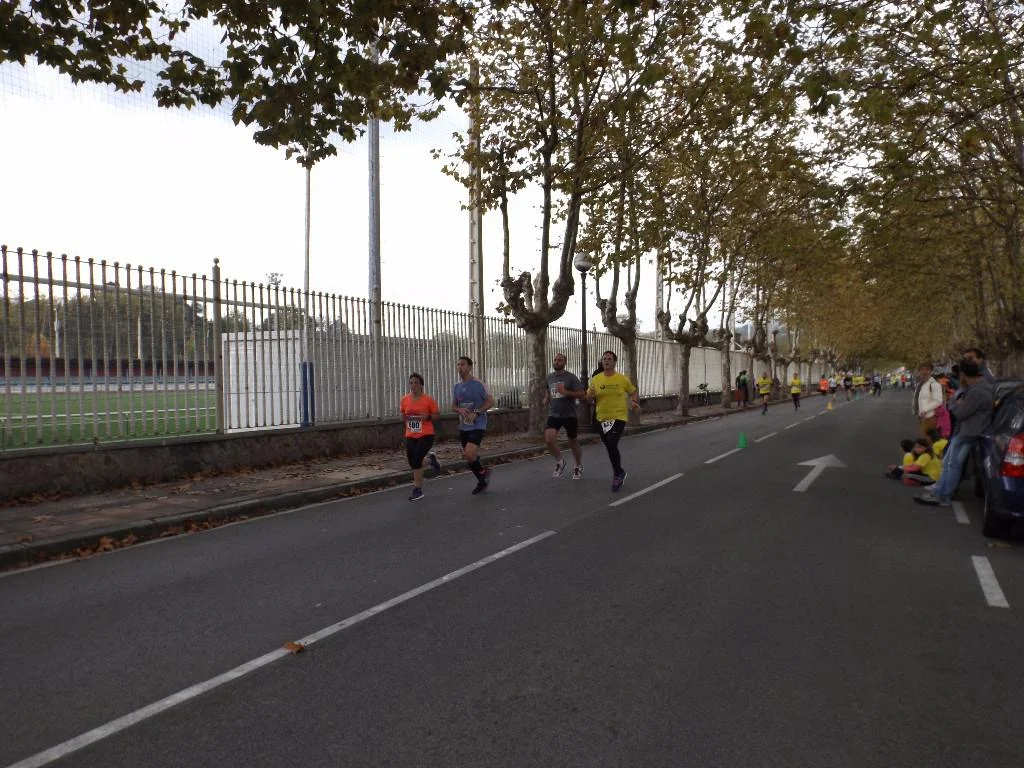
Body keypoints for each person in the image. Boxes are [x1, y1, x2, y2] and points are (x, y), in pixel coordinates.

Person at [914, 358, 994, 507]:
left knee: (952, 465)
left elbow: (960, 413)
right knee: (949, 463)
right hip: (969, 431)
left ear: (963, 374)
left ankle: (943, 496)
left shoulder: (977, 392)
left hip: (968, 431)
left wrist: (954, 404)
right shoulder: (981, 388)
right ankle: (940, 491)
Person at [587, 350, 640, 492]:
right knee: (610, 447)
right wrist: (590, 396)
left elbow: (633, 391)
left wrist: (634, 402)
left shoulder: (622, 379)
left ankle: (617, 475)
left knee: (612, 443)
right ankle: (620, 471)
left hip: (618, 417)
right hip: (602, 418)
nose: (606, 361)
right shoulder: (596, 379)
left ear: (614, 362)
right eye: (604, 359)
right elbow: (588, 399)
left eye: (609, 359)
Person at [452, 355, 494, 495]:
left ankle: (482, 476)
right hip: (464, 425)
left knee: (470, 453)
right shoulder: (457, 386)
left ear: (470, 367)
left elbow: (490, 401)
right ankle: (482, 476)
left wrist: (477, 412)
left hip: (478, 424)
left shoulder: (478, 384)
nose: (460, 367)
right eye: (458, 365)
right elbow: (453, 406)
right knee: (469, 455)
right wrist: (459, 410)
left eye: (463, 364)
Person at [399, 373, 442, 501]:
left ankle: (417, 490)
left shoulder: (428, 400)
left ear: (421, 385)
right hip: (411, 435)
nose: (413, 385)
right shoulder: (405, 399)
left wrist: (428, 417)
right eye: (411, 383)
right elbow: (402, 413)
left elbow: (437, 415)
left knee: (417, 461)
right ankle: (430, 460)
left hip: (426, 435)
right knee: (412, 463)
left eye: (416, 383)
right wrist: (402, 417)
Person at [544, 352, 586, 479]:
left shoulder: (571, 378)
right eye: (555, 360)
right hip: (554, 414)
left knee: (573, 442)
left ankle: (578, 465)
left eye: (560, 360)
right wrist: (546, 398)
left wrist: (566, 392)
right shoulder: (549, 377)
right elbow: (548, 391)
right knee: (549, 439)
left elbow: (582, 395)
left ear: (565, 362)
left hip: (569, 414)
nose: (557, 362)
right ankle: (560, 462)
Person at [912, 361, 945, 438]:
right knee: (926, 440)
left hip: (932, 418)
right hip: (923, 418)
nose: (925, 371)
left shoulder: (934, 384)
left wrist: (924, 410)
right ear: (919, 371)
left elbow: (938, 401)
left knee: (930, 441)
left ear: (931, 371)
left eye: (927, 369)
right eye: (922, 369)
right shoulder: (921, 384)